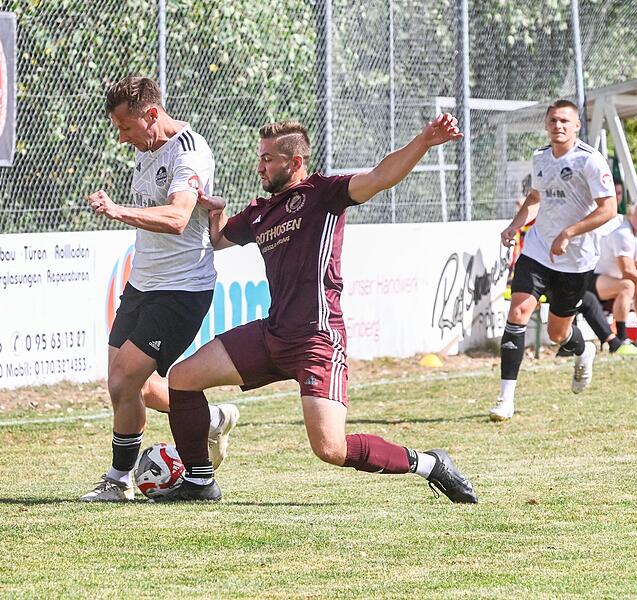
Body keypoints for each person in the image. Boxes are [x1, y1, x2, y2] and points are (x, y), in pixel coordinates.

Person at [155, 115, 478, 503]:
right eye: (260, 157)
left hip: (317, 339)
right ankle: (200, 481)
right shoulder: (261, 211)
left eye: (269, 158)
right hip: (273, 334)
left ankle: (430, 463)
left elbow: (381, 176)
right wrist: (216, 210)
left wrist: (424, 141)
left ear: (295, 162)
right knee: (183, 378)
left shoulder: (324, 193)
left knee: (330, 448)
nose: (260, 165)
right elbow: (222, 239)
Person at [82, 75, 238, 501]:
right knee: (137, 387)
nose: (121, 137)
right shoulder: (146, 148)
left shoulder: (189, 153)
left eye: (126, 128)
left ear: (152, 115)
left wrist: (117, 210)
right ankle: (208, 420)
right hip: (144, 284)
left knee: (121, 380)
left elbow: (176, 218)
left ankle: (118, 481)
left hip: (181, 290)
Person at [490, 99, 617, 422]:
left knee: (558, 334)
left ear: (576, 126)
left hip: (575, 260)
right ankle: (506, 400)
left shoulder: (590, 161)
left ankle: (584, 348)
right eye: (552, 121)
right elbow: (535, 199)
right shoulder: (540, 158)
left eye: (564, 121)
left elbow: (608, 209)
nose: (557, 126)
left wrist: (569, 233)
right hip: (537, 250)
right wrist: (514, 226)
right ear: (546, 125)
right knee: (518, 312)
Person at [579, 202, 637, 353]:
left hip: (611, 280)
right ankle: (622, 338)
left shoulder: (636, 233)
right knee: (628, 285)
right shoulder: (623, 233)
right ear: (631, 215)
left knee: (636, 286)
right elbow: (627, 271)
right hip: (593, 278)